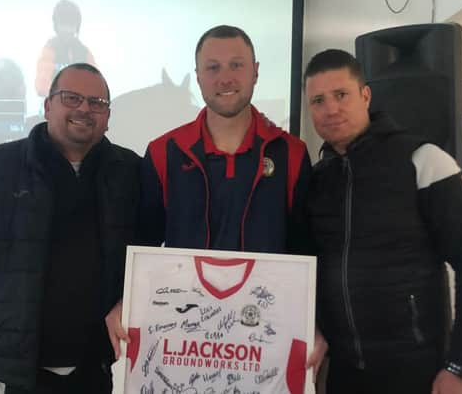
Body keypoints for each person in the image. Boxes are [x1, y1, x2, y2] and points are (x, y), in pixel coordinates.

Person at [105, 24, 327, 384]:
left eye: (236, 65)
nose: (225, 78)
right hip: (185, 344)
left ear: (255, 70)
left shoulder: (291, 154)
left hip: (262, 343)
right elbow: (143, 245)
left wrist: (313, 321)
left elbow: (304, 248)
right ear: (197, 77)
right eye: (213, 67)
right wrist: (122, 300)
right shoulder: (163, 153)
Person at [0, 63, 140, 393]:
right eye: (72, 98)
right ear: (47, 106)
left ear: (107, 116)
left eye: (97, 103)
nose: (84, 108)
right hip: (11, 371)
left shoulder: (130, 173)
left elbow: (149, 245)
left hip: (93, 368)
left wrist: (125, 302)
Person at [302, 49, 462, 394]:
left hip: (418, 373)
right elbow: (311, 270)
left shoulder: (424, 160)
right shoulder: (315, 181)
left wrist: (460, 364)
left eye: (341, 95)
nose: (330, 109)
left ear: (365, 95)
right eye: (318, 100)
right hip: (343, 374)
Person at [35, 0, 96, 97]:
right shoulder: (50, 50)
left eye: (71, 24)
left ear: (77, 26)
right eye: (63, 24)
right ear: (57, 26)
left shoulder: (84, 52)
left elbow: (95, 85)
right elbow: (41, 87)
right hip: (56, 107)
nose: (67, 29)